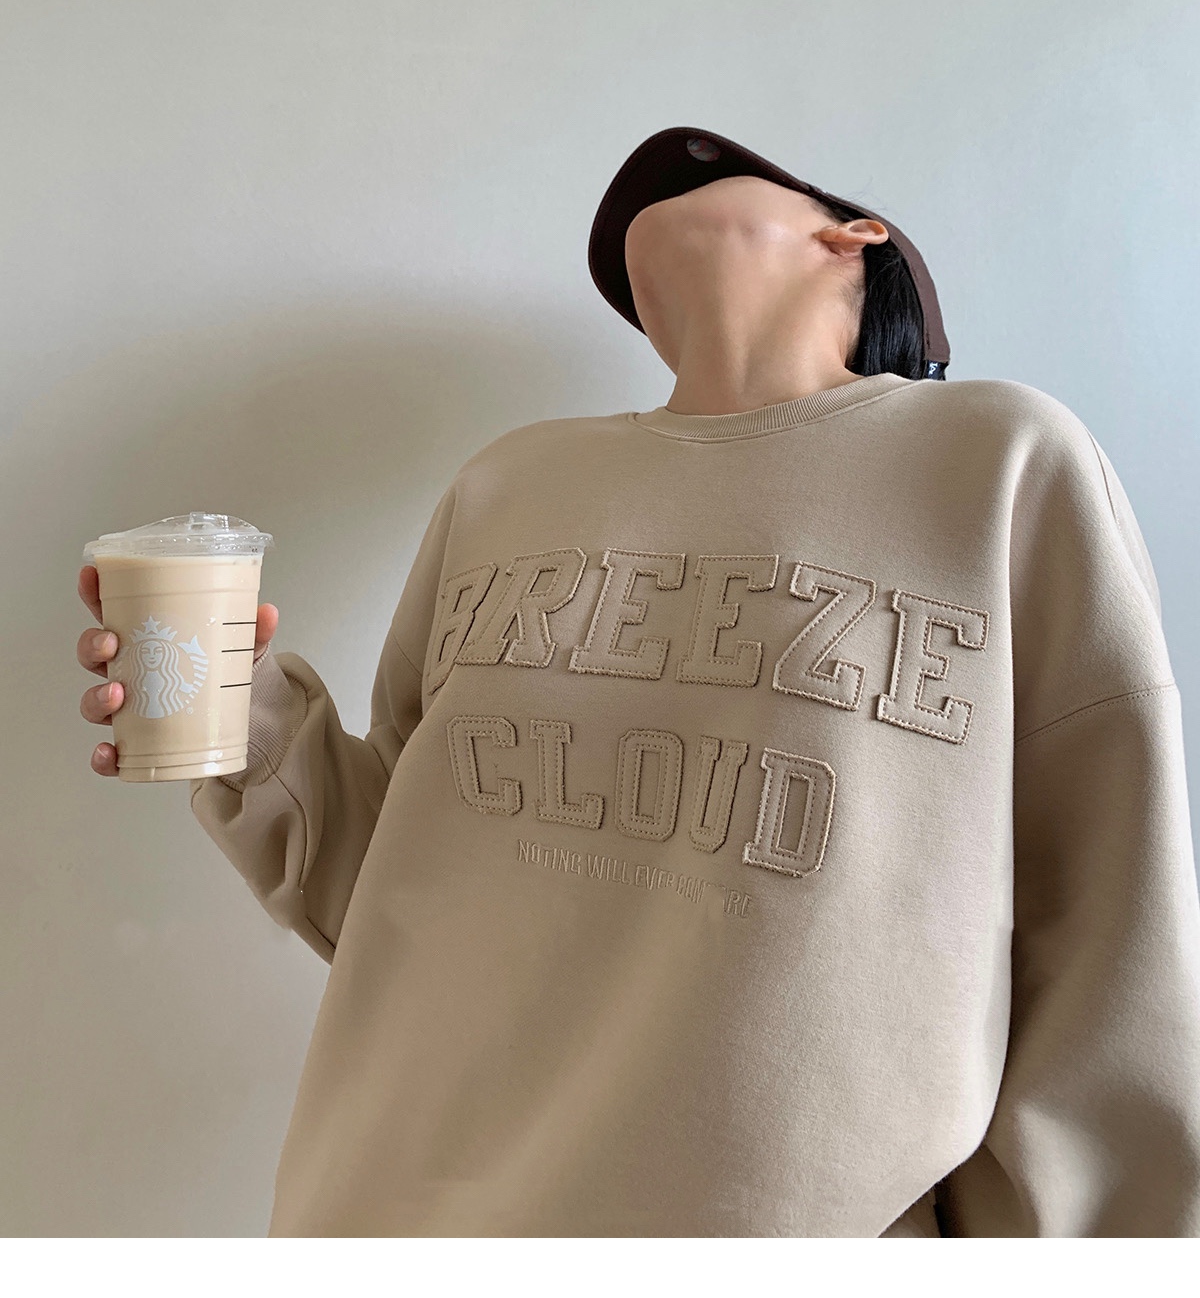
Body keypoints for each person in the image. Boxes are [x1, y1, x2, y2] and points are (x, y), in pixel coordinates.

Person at [78, 128, 1200, 1237]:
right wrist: (233, 705)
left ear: (853, 236)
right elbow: (394, 885)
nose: (646, 200)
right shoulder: (510, 480)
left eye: (717, 171)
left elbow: (1112, 944)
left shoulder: (998, 458)